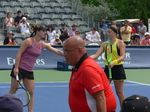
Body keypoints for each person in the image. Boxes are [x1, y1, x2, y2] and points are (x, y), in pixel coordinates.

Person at [8, 25, 64, 112]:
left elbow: (57, 51)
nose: (45, 33)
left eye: (45, 31)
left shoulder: (43, 45)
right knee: (13, 90)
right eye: (43, 31)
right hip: (20, 68)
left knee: (31, 93)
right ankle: (3, 106)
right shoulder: (28, 41)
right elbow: (19, 53)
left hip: (29, 70)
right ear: (37, 32)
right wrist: (16, 68)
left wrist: (67, 55)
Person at [63, 36, 116, 112]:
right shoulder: (79, 65)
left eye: (67, 51)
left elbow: (100, 98)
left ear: (79, 50)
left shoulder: (87, 69)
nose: (65, 54)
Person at [91, 25, 126, 107]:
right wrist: (85, 58)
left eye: (109, 32)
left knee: (119, 93)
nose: (107, 34)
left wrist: (114, 62)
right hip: (107, 69)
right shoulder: (104, 44)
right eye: (107, 32)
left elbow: (122, 56)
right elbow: (96, 55)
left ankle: (125, 109)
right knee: (103, 92)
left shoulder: (120, 43)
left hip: (117, 69)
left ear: (115, 33)